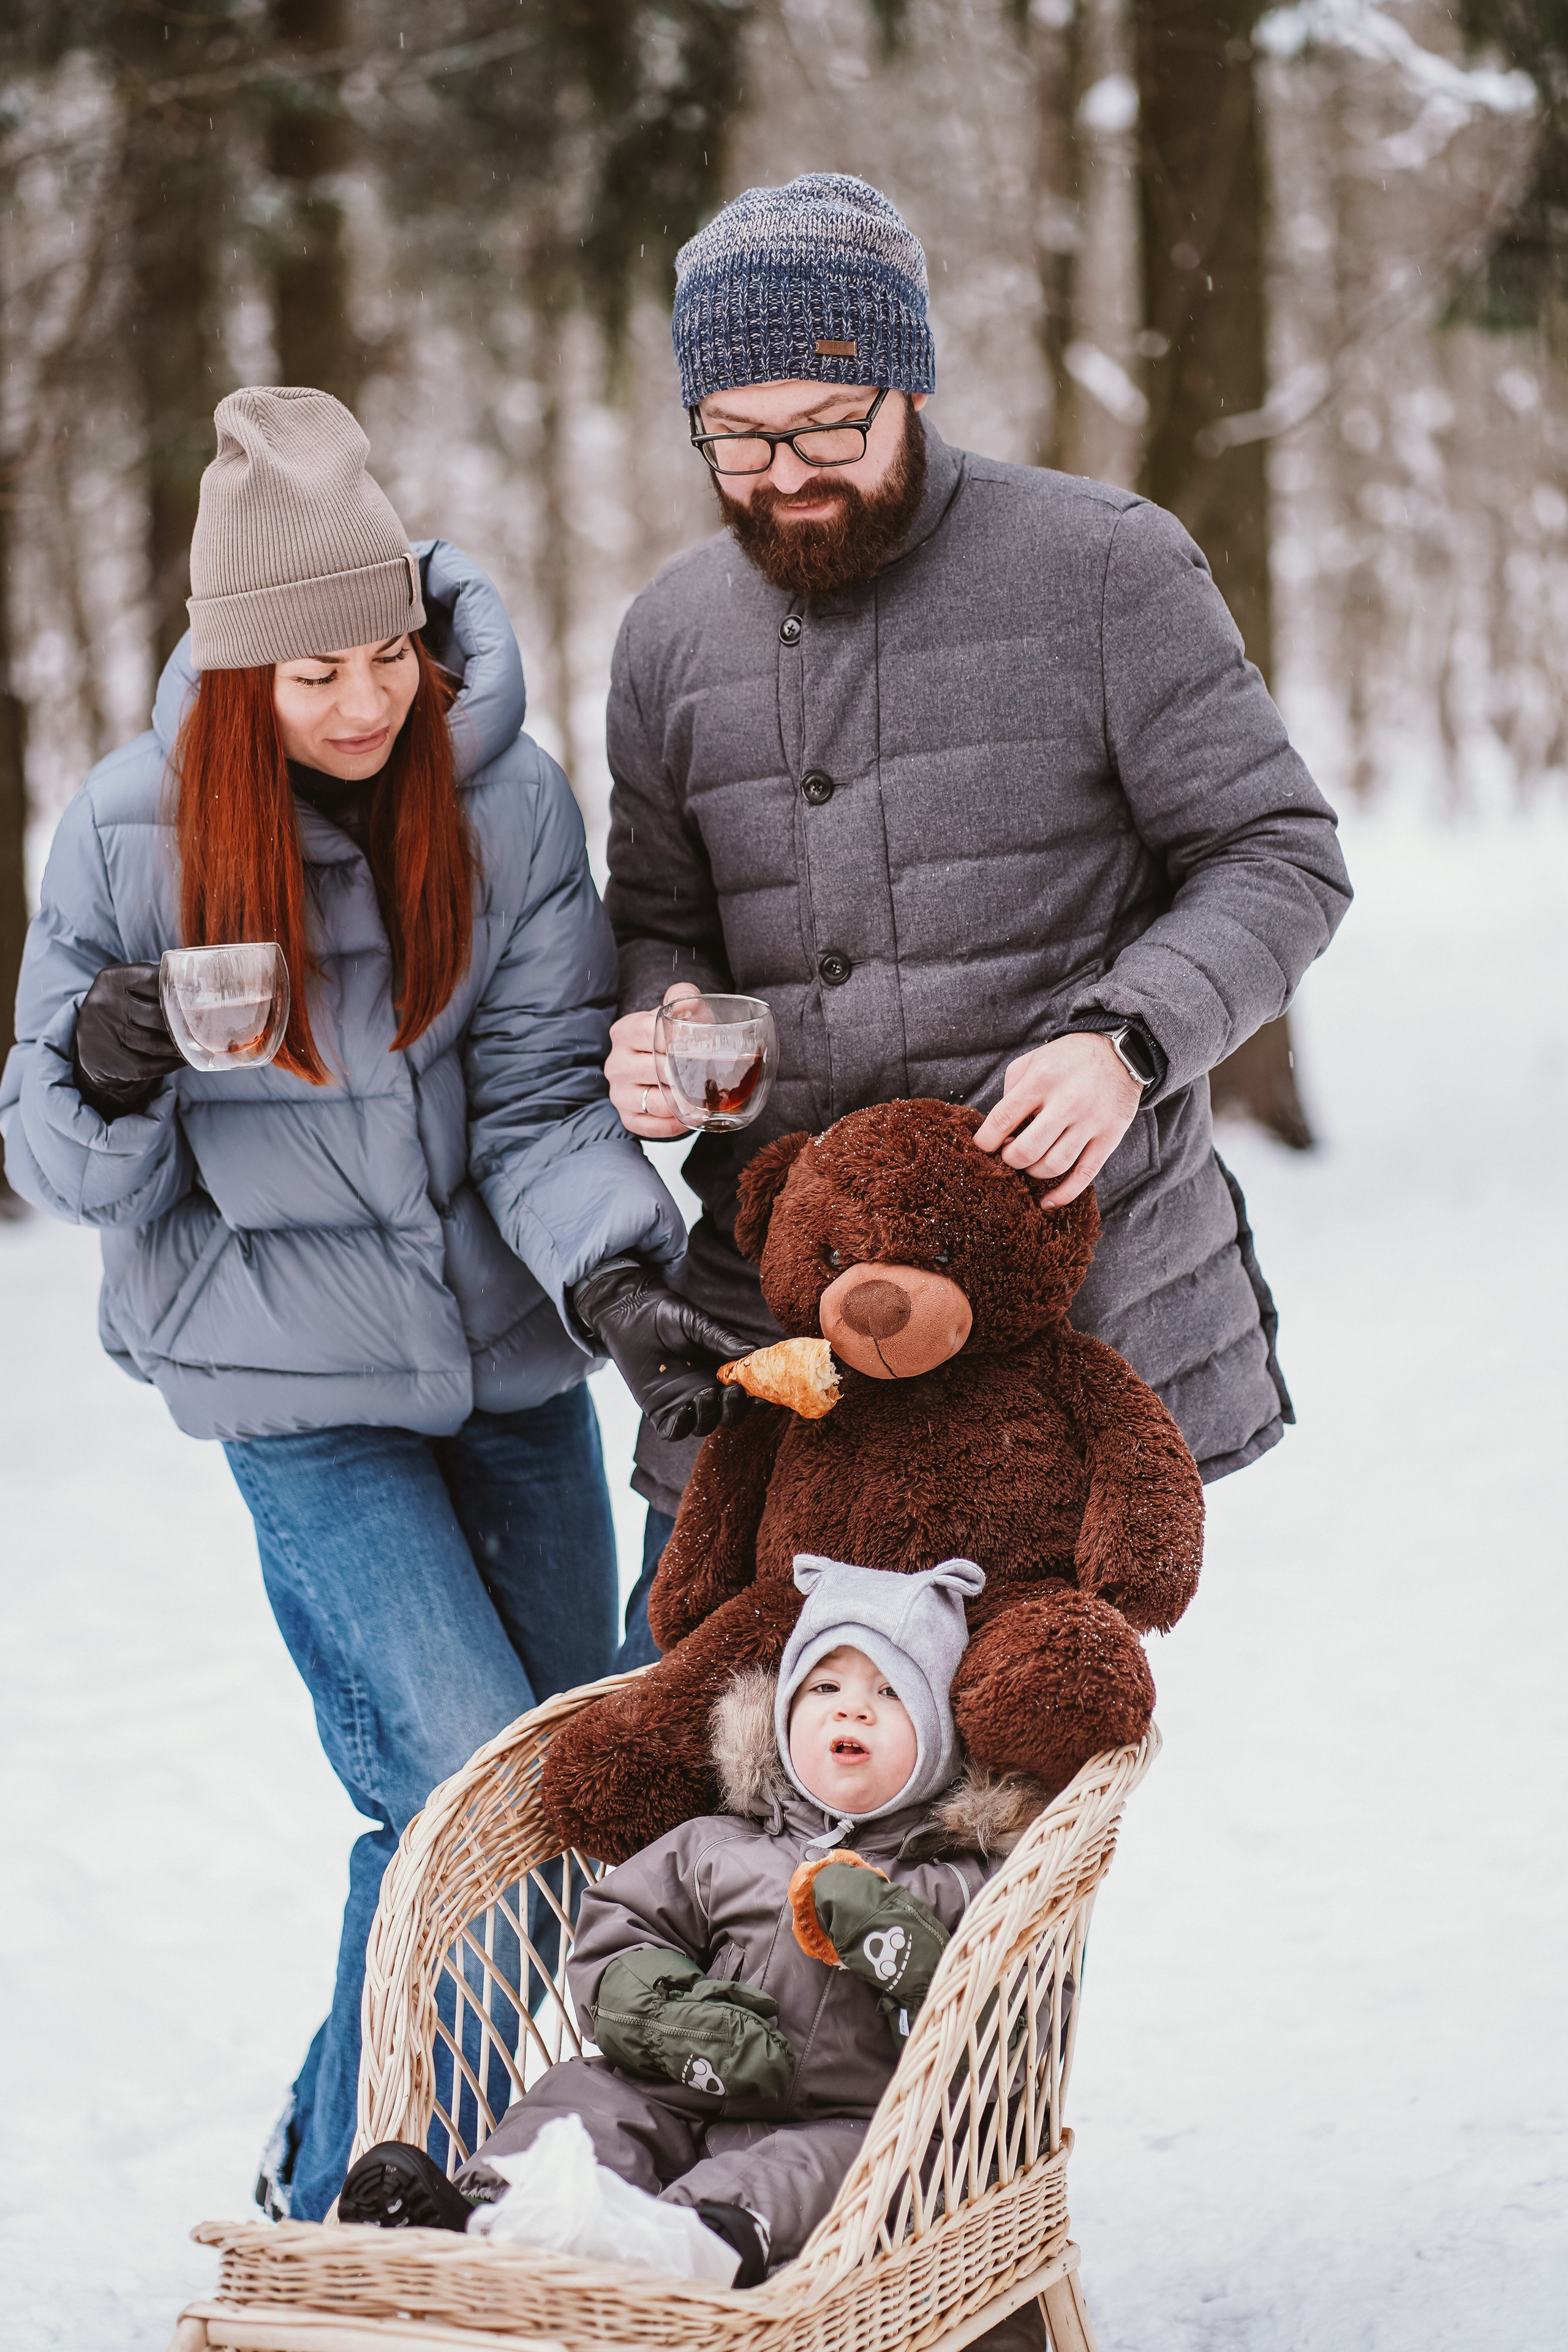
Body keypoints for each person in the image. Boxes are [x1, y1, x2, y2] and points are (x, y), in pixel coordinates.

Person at [0, 386, 750, 2222]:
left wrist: (620, 1277)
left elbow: (537, 1105)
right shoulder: (125, 838)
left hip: (502, 1368)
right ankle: (362, 2207)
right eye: (310, 669)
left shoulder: (501, 801)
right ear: (235, 667)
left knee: (562, 1790)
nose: (359, 700)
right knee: (453, 1789)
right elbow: (62, 1158)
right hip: (292, 1387)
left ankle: (325, 2149)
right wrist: (101, 1064)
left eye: (384, 652)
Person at [599, 174, 1354, 1656]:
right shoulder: (668, 635)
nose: (783, 473)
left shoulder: (1102, 567)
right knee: (683, 1802)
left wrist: (1125, 1043)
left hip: (1060, 1334)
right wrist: (661, 1019)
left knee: (982, 1843)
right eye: (737, 438)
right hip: (781, 1342)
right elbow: (659, 919)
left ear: (911, 383)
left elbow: (1279, 852)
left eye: (825, 425)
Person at [339, 1555, 1052, 2343]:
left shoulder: (957, 1875)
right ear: (783, 1716)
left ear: (940, 1741)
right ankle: (483, 2212)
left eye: (890, 1694)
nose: (854, 1712)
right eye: (826, 1689)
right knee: (588, 2098)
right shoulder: (716, 1847)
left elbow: (998, 1998)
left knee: (829, 2168)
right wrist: (666, 2017)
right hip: (677, 2084)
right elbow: (620, 1931)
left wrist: (895, 1936)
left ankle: (693, 2242)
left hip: (848, 2115)